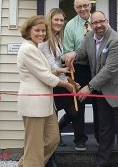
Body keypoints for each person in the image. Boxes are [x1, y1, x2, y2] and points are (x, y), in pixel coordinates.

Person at [64, 11, 118, 167]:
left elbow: (109, 70)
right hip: (103, 92)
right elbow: (83, 51)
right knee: (105, 130)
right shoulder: (90, 37)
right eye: (94, 22)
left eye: (101, 21)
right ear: (91, 25)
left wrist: (89, 87)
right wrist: (74, 54)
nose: (98, 25)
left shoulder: (117, 41)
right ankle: (102, 162)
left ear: (107, 21)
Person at [16, 15, 74, 167]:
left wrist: (63, 73)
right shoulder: (28, 49)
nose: (41, 34)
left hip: (46, 103)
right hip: (33, 103)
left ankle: (25, 164)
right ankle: (30, 164)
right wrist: (67, 85)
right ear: (28, 31)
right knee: (34, 147)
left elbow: (46, 70)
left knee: (53, 139)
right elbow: (45, 76)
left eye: (43, 30)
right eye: (37, 30)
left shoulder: (35, 47)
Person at [39, 8, 79, 148]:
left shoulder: (58, 37)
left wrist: (69, 59)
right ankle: (55, 140)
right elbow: (50, 66)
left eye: (62, 20)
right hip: (51, 83)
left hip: (61, 79)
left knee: (73, 112)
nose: (59, 23)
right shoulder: (44, 40)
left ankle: (58, 131)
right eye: (56, 19)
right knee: (53, 113)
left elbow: (59, 58)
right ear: (49, 20)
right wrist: (65, 76)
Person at [63, 0, 98, 151]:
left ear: (90, 6)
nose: (83, 9)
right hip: (79, 68)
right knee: (79, 105)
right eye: (79, 7)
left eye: (85, 5)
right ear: (75, 8)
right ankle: (80, 140)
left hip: (97, 68)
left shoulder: (98, 21)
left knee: (99, 104)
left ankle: (100, 137)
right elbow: (68, 50)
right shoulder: (70, 26)